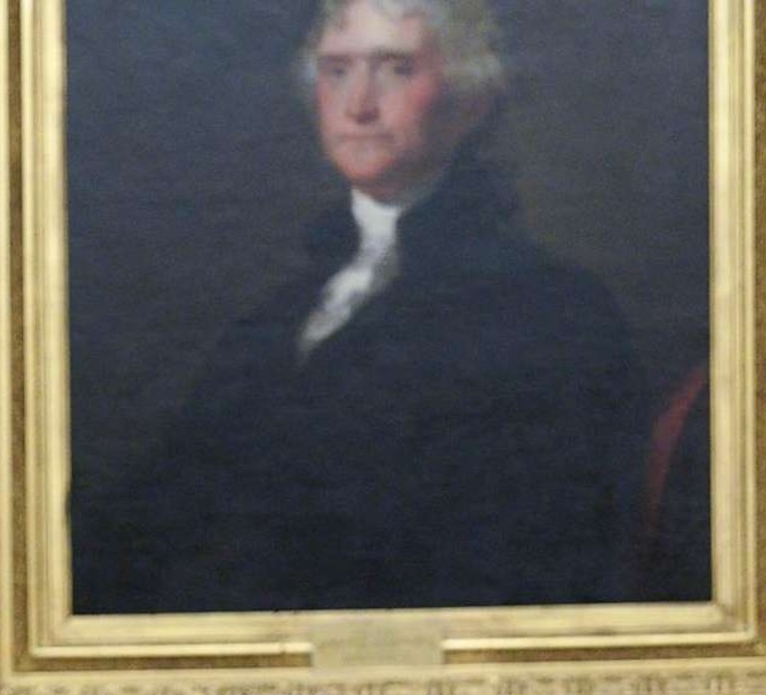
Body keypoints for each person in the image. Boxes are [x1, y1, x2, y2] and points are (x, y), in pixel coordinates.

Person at [77, 0, 646, 616]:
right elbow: (163, 508)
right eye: (336, 71)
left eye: (397, 69)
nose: (359, 105)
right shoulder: (283, 310)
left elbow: (532, 565)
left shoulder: (553, 312)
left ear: (471, 100)